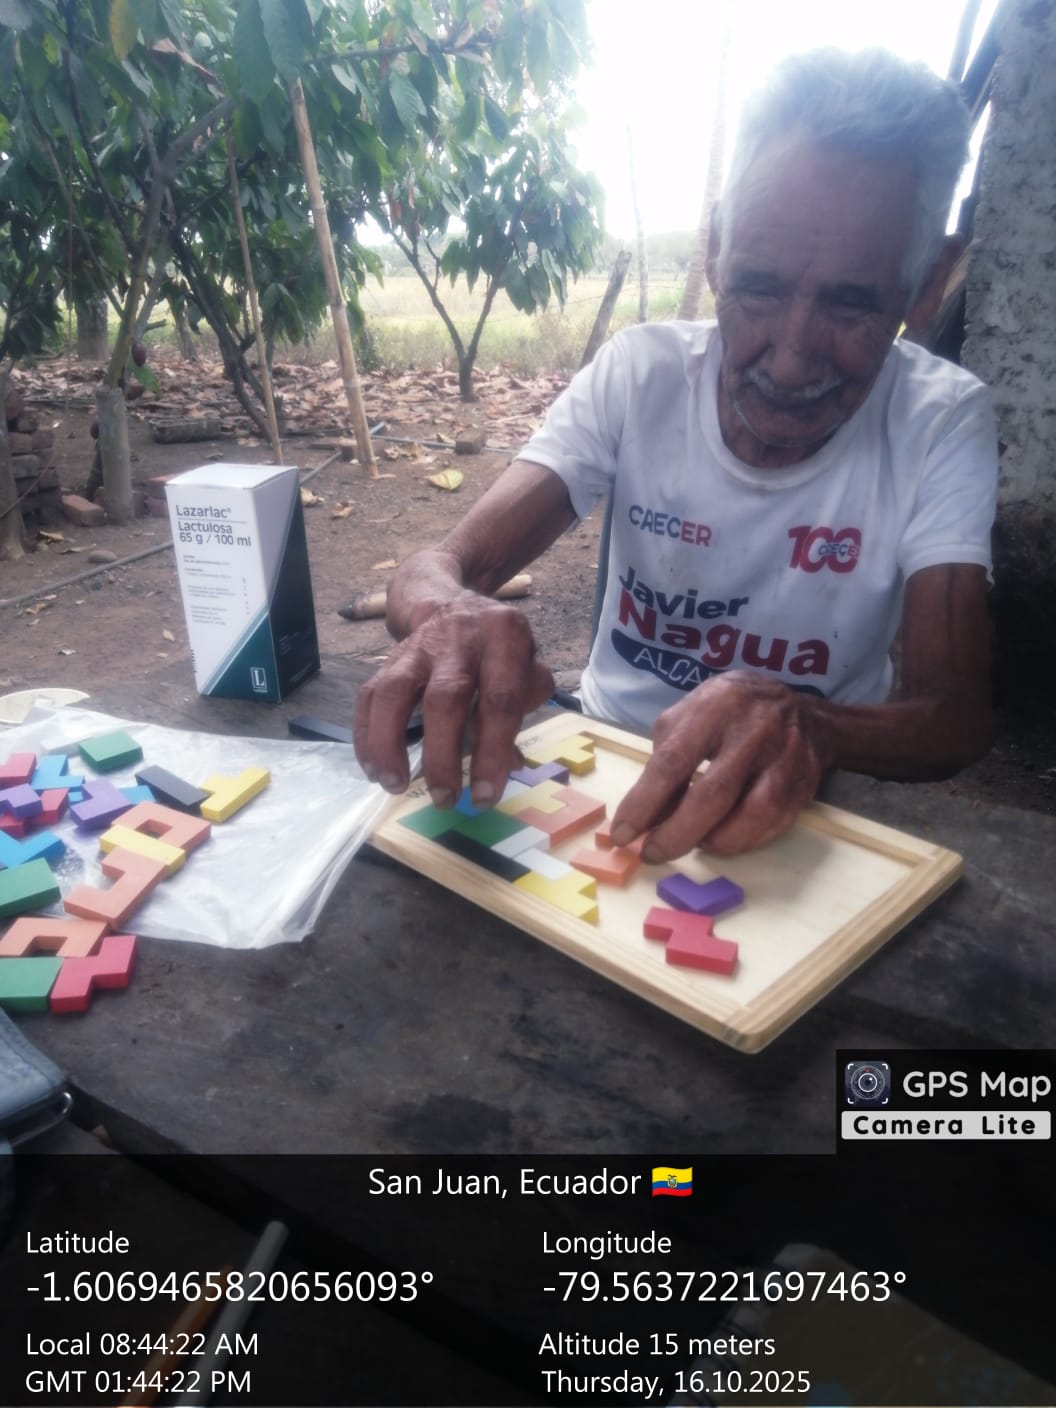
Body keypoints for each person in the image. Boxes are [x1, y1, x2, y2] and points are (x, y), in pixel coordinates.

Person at [354, 47, 998, 859]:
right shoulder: (640, 375)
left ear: (929, 284)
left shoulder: (941, 420)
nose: (789, 358)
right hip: (603, 760)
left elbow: (953, 716)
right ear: (716, 248)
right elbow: (438, 566)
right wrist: (451, 612)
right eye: (758, 288)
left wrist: (814, 724)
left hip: (799, 793)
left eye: (850, 305)